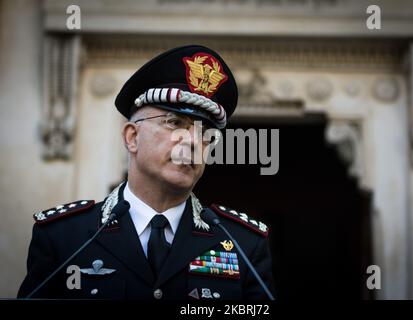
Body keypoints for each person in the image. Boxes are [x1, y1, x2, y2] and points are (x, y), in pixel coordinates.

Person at [18, 45, 274, 300]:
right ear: (132, 137)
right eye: (174, 122)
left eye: (206, 133)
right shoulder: (65, 238)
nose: (194, 141)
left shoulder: (243, 244)